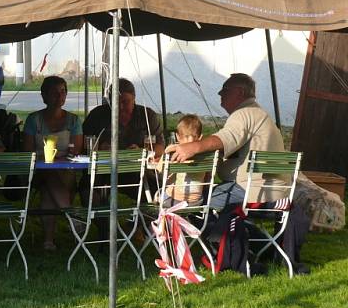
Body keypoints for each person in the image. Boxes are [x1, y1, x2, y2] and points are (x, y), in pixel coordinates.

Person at [165, 73, 310, 273]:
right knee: (215, 202)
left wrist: (193, 147)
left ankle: (226, 252)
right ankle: (259, 246)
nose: (220, 95)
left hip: (252, 191)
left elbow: (225, 138)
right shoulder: (262, 115)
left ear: (240, 92)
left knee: (197, 204)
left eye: (224, 90)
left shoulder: (244, 113)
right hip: (278, 193)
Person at [22, 76, 83, 251]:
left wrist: (59, 160)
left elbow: (76, 151)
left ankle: (48, 240)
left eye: (63, 91)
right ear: (44, 95)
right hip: (37, 171)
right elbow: (27, 151)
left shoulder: (73, 121)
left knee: (49, 184)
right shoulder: (34, 120)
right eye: (54, 92)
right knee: (48, 174)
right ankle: (71, 215)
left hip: (65, 170)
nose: (60, 95)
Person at [82, 78, 165, 156]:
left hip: (140, 168)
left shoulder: (148, 116)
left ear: (134, 99)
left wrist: (141, 151)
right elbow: (82, 144)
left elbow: (160, 148)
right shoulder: (97, 115)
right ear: (110, 101)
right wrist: (99, 147)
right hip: (104, 168)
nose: (120, 107)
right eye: (116, 102)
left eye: (125, 102)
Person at [157, 114, 207, 207]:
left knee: (157, 195)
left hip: (174, 201)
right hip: (197, 201)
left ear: (177, 136)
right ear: (200, 137)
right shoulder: (207, 155)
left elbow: (160, 171)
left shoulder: (172, 152)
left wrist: (166, 152)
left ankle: (162, 220)